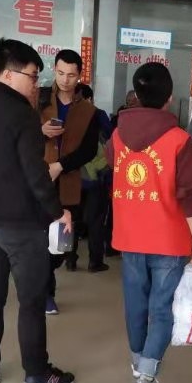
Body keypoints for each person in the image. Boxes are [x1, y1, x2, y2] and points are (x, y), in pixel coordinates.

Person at [0, 38, 75, 383]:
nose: (36, 84)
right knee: (31, 300)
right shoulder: (22, 113)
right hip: (22, 226)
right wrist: (58, 212)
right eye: (33, 76)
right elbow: (35, 173)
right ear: (9, 74)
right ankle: (36, 374)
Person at [106, 62, 192, 383]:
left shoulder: (117, 136)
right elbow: (190, 195)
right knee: (161, 307)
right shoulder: (179, 140)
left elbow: (112, 168)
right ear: (169, 98)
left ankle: (138, 362)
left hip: (130, 236)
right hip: (169, 239)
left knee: (135, 303)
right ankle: (146, 376)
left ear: (136, 94)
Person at [39, 49, 97, 312]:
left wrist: (60, 165)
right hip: (38, 183)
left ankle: (45, 284)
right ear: (54, 69)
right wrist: (40, 131)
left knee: (61, 245)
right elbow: (19, 134)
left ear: (80, 75)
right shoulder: (38, 99)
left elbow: (89, 150)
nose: (65, 79)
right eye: (61, 73)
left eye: (71, 75)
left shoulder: (88, 111)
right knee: (39, 241)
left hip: (68, 185)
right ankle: (44, 293)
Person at [70, 83, 112, 273]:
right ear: (90, 98)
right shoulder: (98, 114)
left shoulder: (68, 114)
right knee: (96, 220)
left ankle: (70, 259)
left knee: (72, 219)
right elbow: (110, 138)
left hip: (73, 176)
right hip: (96, 177)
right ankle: (95, 261)